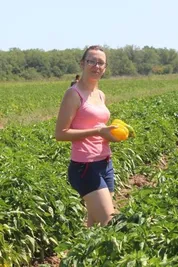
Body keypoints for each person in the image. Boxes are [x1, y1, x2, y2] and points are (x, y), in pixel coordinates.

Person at [55, 45, 119, 227]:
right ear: (82, 64)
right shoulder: (73, 94)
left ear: (105, 68)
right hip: (85, 167)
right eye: (92, 61)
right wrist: (98, 132)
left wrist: (111, 133)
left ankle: (82, 255)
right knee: (110, 223)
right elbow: (60, 133)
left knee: (95, 227)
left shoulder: (100, 95)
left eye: (101, 63)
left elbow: (97, 125)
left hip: (105, 163)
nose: (96, 66)